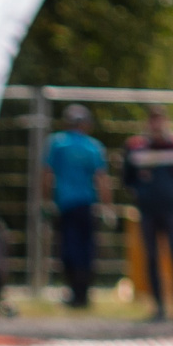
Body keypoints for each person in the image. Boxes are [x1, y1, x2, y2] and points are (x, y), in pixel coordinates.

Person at [122, 103, 173, 321]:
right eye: (152, 120)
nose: (156, 124)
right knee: (151, 257)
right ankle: (159, 307)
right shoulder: (135, 147)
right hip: (147, 212)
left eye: (160, 119)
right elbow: (127, 179)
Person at [43, 104, 112, 308]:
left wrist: (45, 200)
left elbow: (47, 175)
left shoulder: (58, 144)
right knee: (87, 249)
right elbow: (102, 180)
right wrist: (107, 206)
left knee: (68, 248)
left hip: (65, 205)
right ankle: (84, 294)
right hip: (88, 206)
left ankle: (74, 292)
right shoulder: (93, 146)